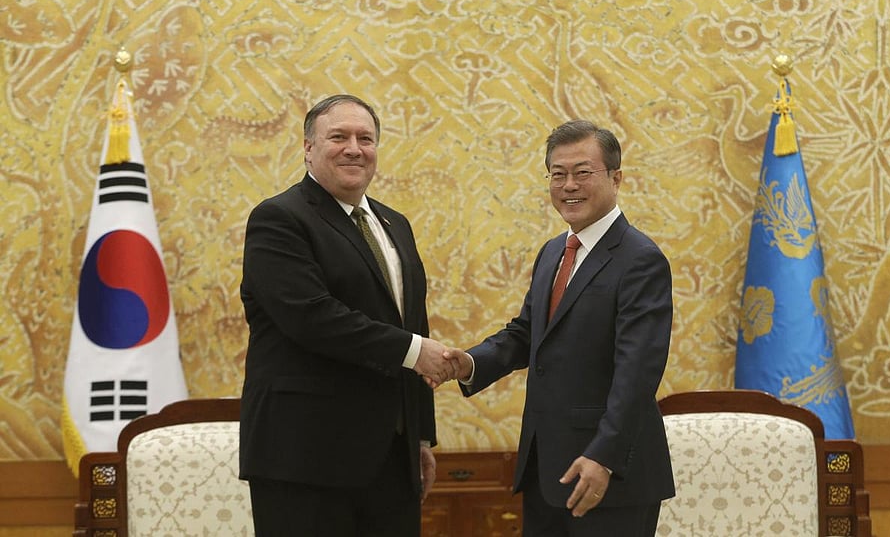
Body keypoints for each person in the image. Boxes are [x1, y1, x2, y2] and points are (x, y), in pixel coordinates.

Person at [443, 120, 675, 536]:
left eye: (583, 173)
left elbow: (637, 371)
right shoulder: (553, 252)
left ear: (616, 178)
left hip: (608, 474)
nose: (569, 185)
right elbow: (526, 333)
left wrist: (603, 456)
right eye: (558, 174)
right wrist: (469, 363)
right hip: (546, 469)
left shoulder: (640, 259)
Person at [238, 94, 451, 536]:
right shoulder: (279, 218)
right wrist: (413, 352)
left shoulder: (395, 224)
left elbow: (414, 325)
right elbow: (311, 317)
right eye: (339, 137)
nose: (354, 148)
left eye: (366, 138)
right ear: (308, 148)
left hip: (391, 459)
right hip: (305, 458)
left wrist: (420, 437)